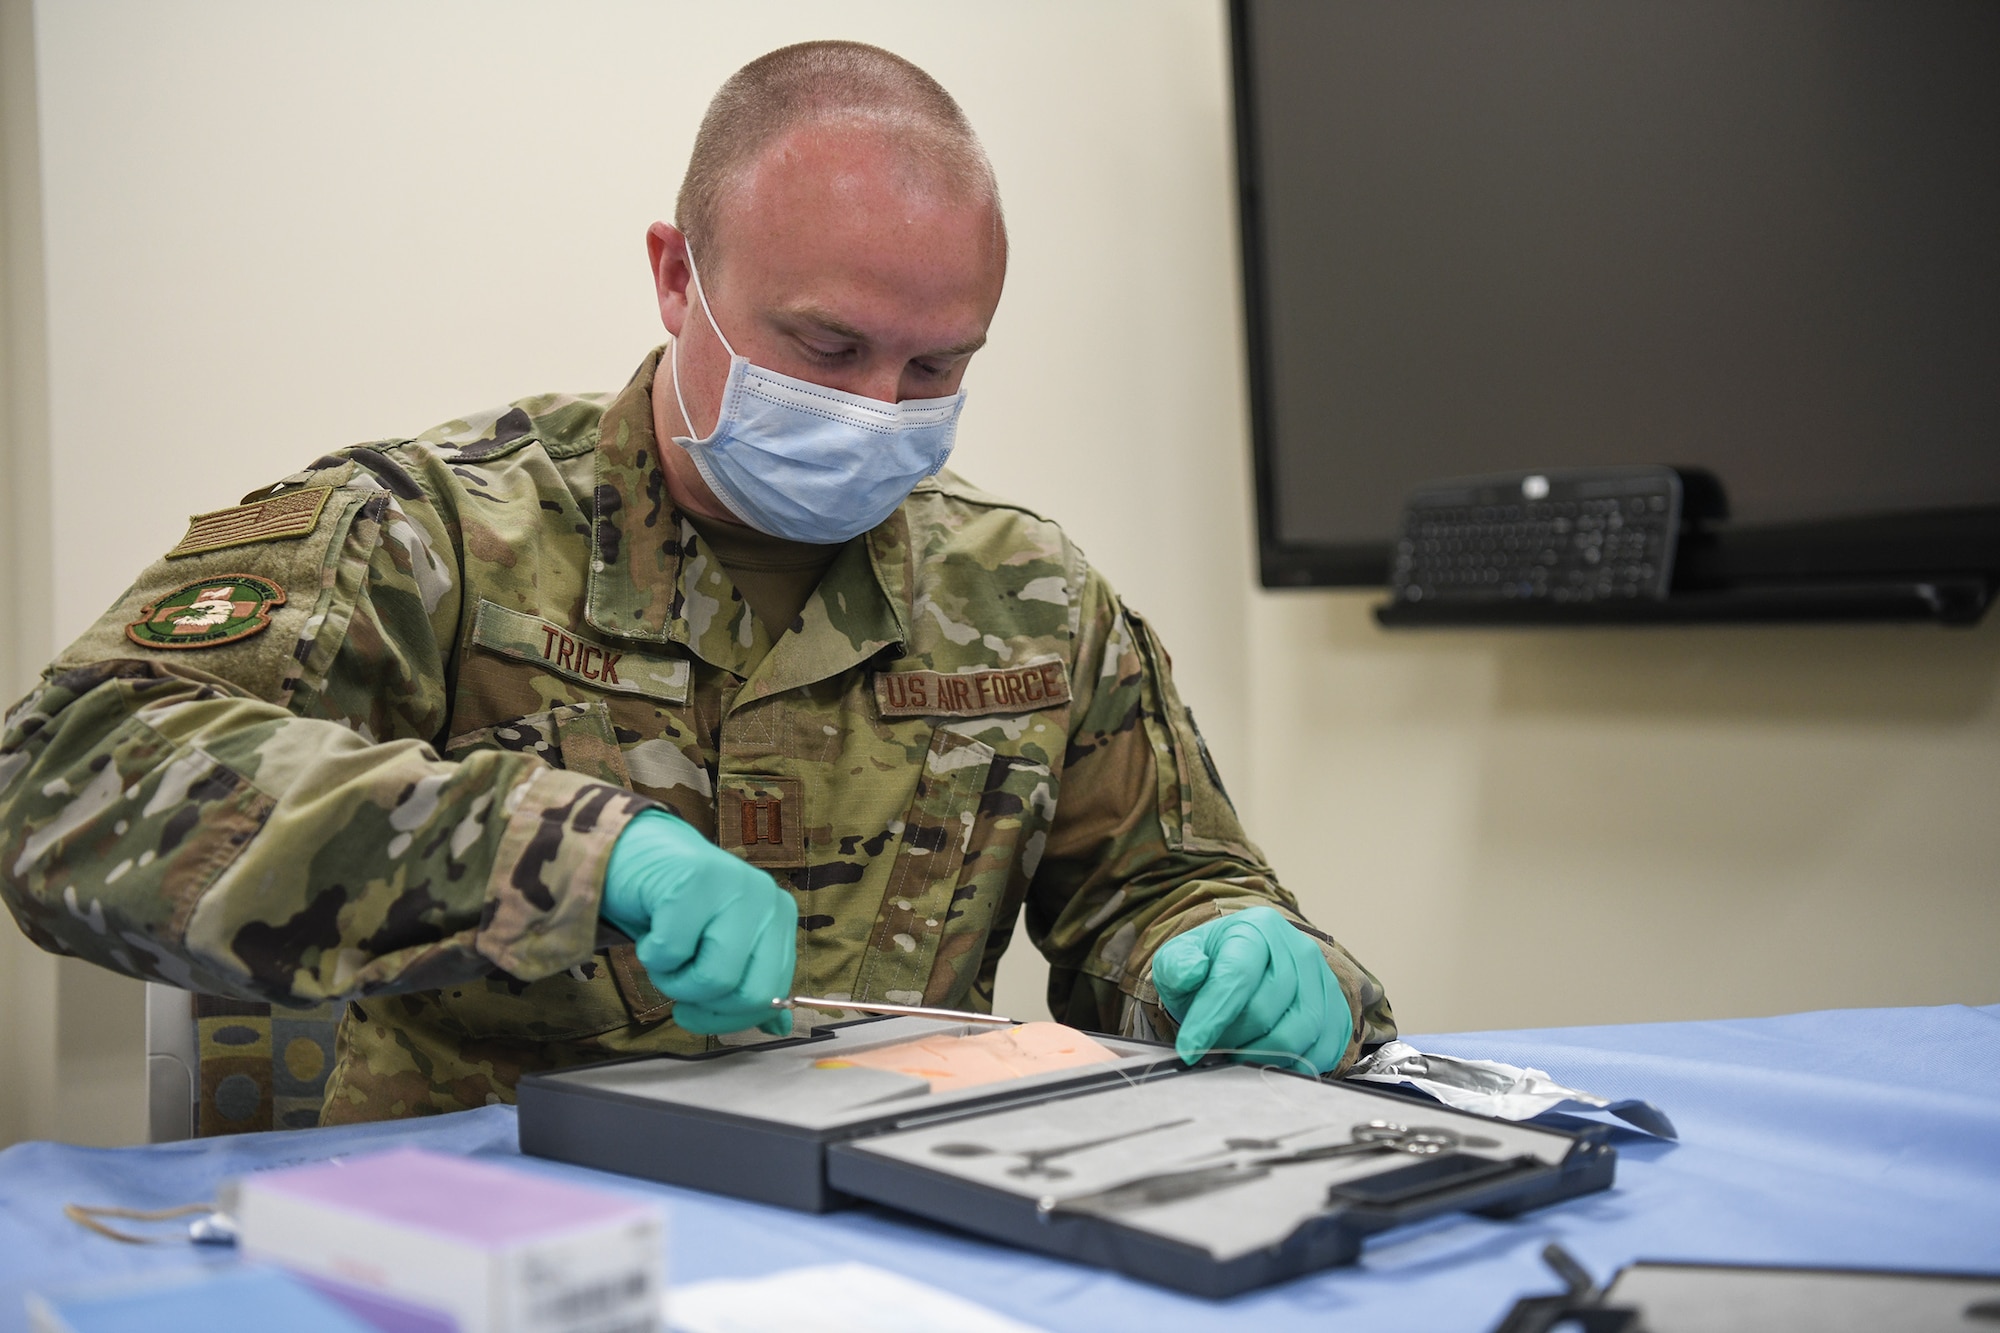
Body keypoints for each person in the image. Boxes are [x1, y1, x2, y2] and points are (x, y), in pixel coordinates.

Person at [0, 41, 1394, 1124]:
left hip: (894, 1242)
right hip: (492, 1240)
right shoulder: (437, 534)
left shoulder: (1026, 593)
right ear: (679, 278)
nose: (880, 406)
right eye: (828, 346)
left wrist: (1233, 952)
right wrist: (566, 851)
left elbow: (1160, 890)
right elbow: (64, 777)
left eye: (940, 365)